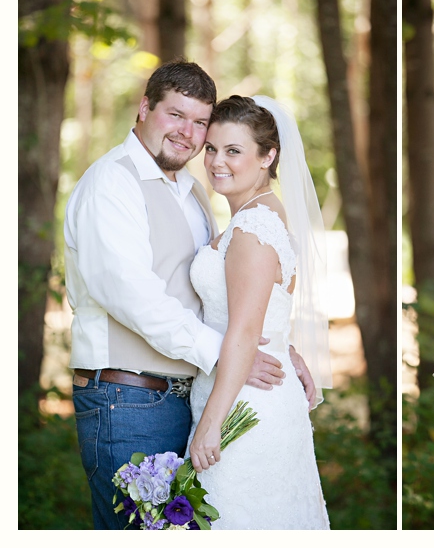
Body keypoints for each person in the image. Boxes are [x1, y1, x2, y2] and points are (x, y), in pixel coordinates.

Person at [64, 59, 315, 529]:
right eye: (175, 115)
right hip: (127, 395)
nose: (188, 133)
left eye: (200, 122)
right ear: (144, 108)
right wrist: (226, 353)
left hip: (187, 396)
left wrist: (275, 341)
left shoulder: (194, 193)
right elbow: (132, 296)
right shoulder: (112, 183)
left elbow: (225, 292)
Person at [186, 95, 331, 529]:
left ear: (268, 156)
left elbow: (245, 332)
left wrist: (211, 425)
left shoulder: (252, 228)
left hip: (242, 408)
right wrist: (289, 351)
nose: (215, 162)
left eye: (234, 151)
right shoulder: (260, 215)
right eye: (211, 148)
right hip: (251, 390)